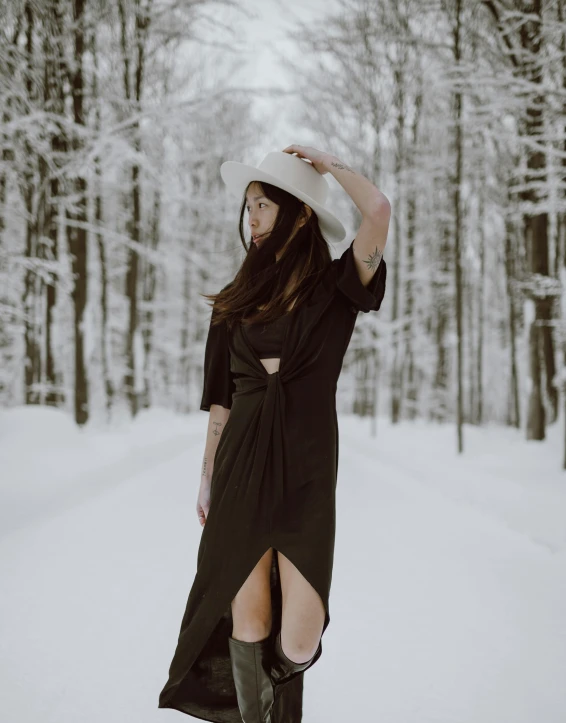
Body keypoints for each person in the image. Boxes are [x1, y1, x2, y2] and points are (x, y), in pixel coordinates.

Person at [158, 146, 390, 722]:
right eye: (249, 208)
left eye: (263, 205)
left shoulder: (337, 289)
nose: (253, 219)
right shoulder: (232, 306)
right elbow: (222, 404)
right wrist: (207, 477)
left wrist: (328, 162)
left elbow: (379, 210)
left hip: (308, 472)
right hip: (241, 469)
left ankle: (258, 694)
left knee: (301, 638)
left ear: (300, 213)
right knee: (250, 620)